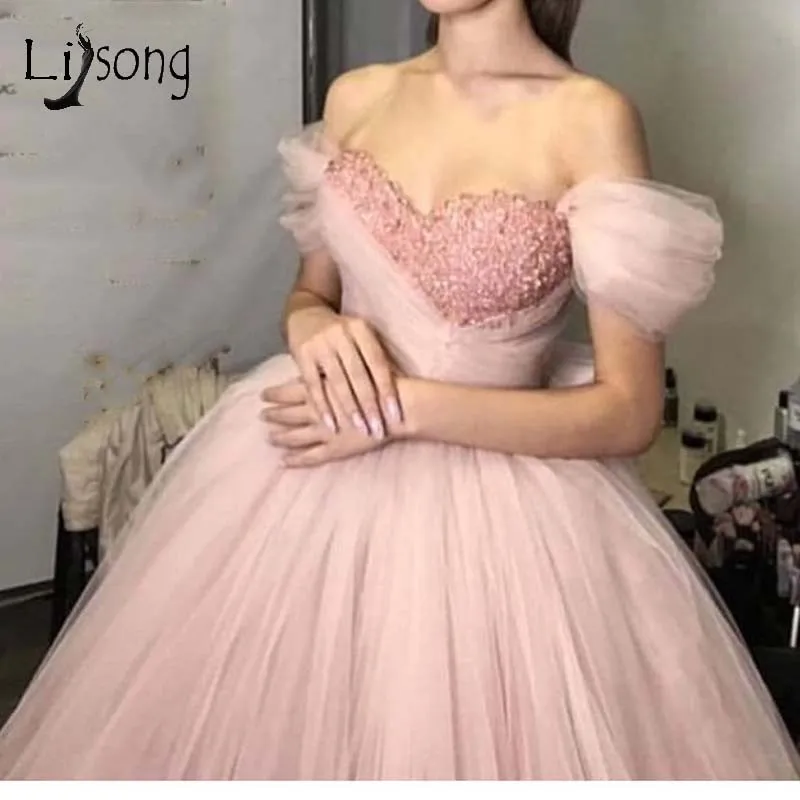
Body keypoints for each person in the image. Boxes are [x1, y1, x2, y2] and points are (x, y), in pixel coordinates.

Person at [1, 0, 798, 780]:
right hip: (301, 480)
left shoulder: (591, 117)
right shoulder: (357, 96)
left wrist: (398, 410)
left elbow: (628, 412)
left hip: (506, 524)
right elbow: (312, 292)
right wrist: (311, 324)